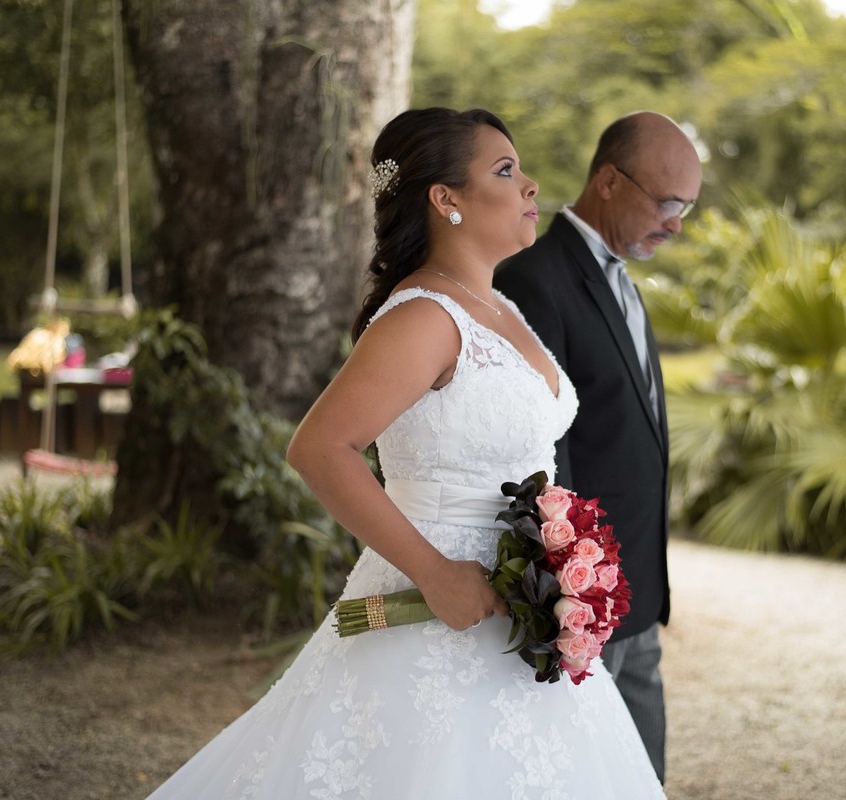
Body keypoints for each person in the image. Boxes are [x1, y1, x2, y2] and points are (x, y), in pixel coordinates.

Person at [143, 107, 666, 799]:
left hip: (524, 615)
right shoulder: (426, 315)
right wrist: (435, 573)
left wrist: (563, 557)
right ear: (445, 199)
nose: (530, 185)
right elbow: (321, 449)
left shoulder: (502, 308)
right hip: (434, 604)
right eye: (505, 171)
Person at [494, 111, 704, 783]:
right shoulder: (534, 278)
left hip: (636, 589)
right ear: (610, 181)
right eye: (668, 203)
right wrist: (575, 592)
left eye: (686, 208)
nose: (677, 224)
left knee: (643, 777)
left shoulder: (622, 279)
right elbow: (546, 449)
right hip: (588, 593)